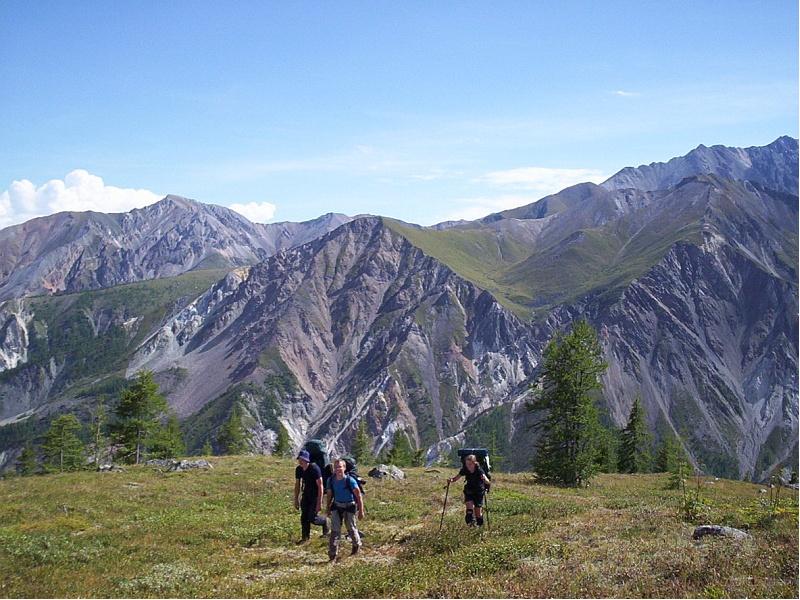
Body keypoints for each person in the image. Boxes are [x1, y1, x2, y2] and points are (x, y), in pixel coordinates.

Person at [325, 457, 365, 560]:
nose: (338, 469)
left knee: (351, 528)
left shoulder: (350, 480)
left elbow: (358, 496)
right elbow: (329, 495)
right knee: (335, 530)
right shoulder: (331, 480)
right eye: (336, 467)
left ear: (344, 468)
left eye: (340, 467)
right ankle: (332, 554)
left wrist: (361, 511)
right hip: (336, 506)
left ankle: (356, 546)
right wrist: (328, 508)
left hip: (349, 506)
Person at [294, 449, 328, 543]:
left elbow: (320, 485)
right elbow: (297, 485)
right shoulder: (299, 469)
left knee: (312, 518)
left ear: (307, 460)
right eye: (299, 459)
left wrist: (319, 502)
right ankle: (305, 538)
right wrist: (296, 499)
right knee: (304, 518)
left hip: (315, 496)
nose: (300, 461)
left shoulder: (314, 468)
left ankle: (324, 522)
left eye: (302, 459)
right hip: (306, 495)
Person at [447, 453, 490, 527]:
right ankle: (471, 526)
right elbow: (456, 478)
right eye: (467, 464)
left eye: (470, 464)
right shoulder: (465, 469)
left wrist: (484, 480)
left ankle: (479, 527)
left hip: (478, 492)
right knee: (469, 511)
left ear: (474, 463)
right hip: (469, 490)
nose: (468, 466)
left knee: (478, 514)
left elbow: (487, 481)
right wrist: (451, 480)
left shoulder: (479, 470)